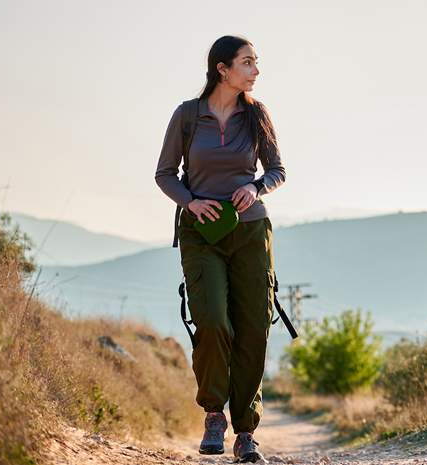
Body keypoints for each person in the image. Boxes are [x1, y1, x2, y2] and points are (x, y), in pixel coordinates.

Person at [154, 34, 285, 463]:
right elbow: (165, 173)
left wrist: (256, 185)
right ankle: (214, 412)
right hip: (200, 233)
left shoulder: (257, 115)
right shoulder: (187, 117)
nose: (256, 70)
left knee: (253, 328)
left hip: (250, 232)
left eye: (256, 62)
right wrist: (191, 200)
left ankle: (246, 432)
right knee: (211, 319)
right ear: (222, 69)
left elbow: (277, 170)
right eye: (247, 62)